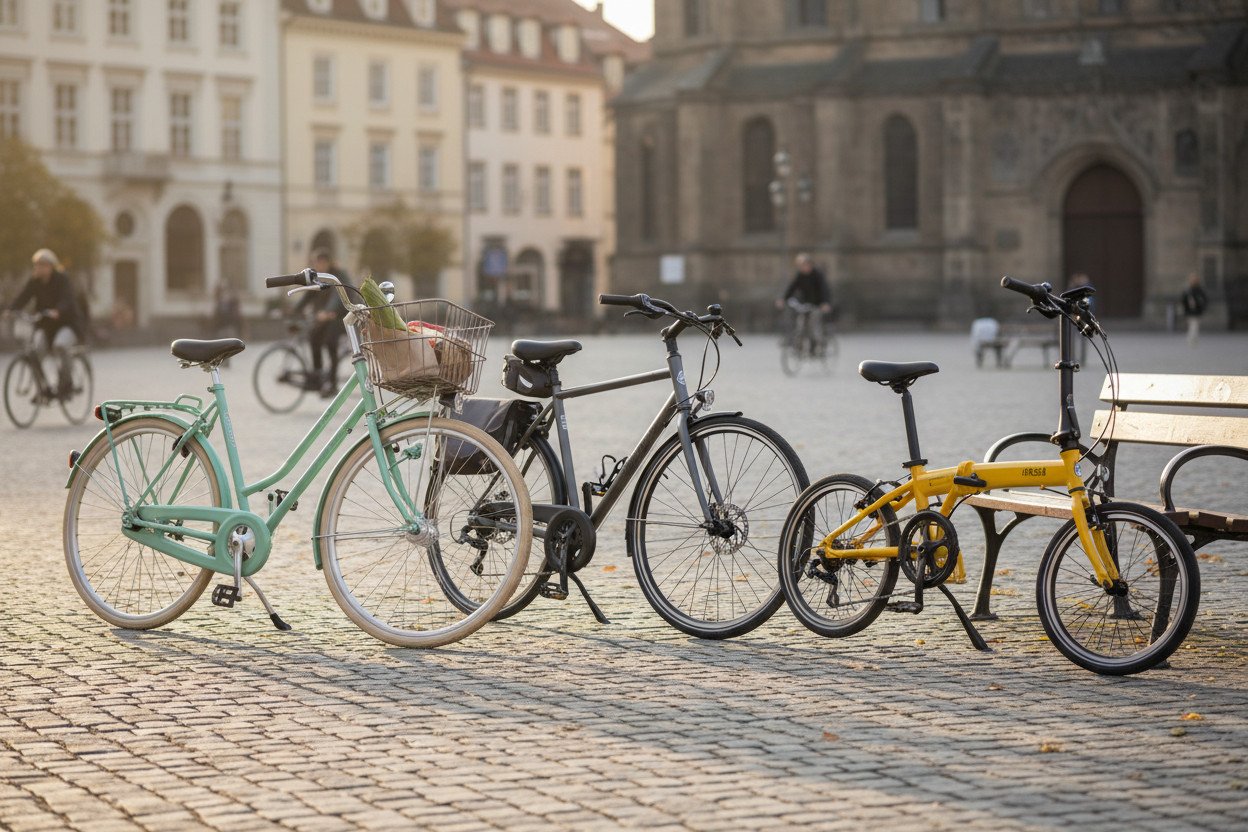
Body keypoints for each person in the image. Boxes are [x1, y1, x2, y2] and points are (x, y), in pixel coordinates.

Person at [4, 249, 84, 395]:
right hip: (47, 327)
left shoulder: (62, 279)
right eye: (36, 265)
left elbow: (67, 299)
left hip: (67, 324)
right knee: (34, 355)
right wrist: (11, 310)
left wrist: (58, 310)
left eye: (42, 264)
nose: (38, 268)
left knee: (60, 345)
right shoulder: (34, 281)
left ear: (51, 266)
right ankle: (44, 389)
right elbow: (23, 296)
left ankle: (67, 383)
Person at [296, 248, 346, 396]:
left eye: (321, 262)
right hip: (323, 317)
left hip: (337, 317)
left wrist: (328, 311)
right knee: (313, 338)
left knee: (331, 344)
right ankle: (317, 378)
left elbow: (337, 294)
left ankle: (332, 384)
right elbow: (308, 295)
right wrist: (293, 310)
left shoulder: (337, 274)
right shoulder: (316, 276)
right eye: (316, 263)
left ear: (327, 262)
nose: (318, 265)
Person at [777, 254, 833, 355]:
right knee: (800, 325)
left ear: (810, 265)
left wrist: (825, 303)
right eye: (801, 266)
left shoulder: (817, 275)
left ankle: (820, 344)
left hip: (817, 305)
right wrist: (783, 299)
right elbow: (792, 288)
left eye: (805, 265)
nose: (803, 268)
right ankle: (798, 347)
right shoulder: (800, 275)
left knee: (814, 326)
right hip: (806, 304)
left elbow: (824, 289)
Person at [1180, 272, 1208, 346]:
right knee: (1193, 326)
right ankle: (1191, 340)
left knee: (1195, 326)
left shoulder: (1199, 290)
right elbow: (1183, 300)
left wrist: (1202, 307)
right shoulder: (1187, 290)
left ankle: (1193, 340)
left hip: (1197, 311)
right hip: (1190, 311)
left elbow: (1204, 299)